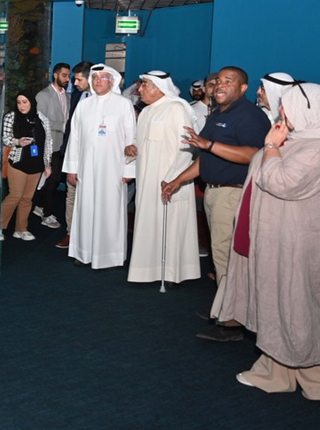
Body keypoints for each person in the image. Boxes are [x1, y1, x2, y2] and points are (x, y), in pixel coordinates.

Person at [220, 83, 320, 401]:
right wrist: (274, 146)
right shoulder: (297, 140)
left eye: (286, 105)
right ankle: (276, 371)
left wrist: (271, 146)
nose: (280, 111)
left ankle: (318, 377)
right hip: (276, 238)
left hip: (298, 244)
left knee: (300, 305)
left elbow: (281, 182)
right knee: (276, 303)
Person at [161, 66, 269, 342]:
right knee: (220, 254)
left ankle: (232, 321)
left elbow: (253, 154)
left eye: (228, 81)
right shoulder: (219, 114)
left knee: (227, 256)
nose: (220, 85)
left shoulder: (249, 116)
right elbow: (206, 156)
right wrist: (178, 180)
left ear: (243, 88)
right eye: (218, 81)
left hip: (232, 194)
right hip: (214, 192)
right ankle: (224, 306)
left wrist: (208, 145)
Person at [127, 71, 200, 283]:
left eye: (144, 85)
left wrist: (174, 179)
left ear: (159, 88)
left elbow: (187, 148)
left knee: (170, 225)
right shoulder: (146, 112)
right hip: (146, 180)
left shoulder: (177, 109)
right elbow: (142, 142)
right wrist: (132, 148)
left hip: (169, 181)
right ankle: (146, 271)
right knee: (148, 224)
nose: (139, 89)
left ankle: (171, 274)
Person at [62, 64, 136, 269]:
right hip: (86, 169)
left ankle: (110, 255)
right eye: (95, 78)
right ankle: (83, 252)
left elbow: (132, 138)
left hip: (113, 170)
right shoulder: (84, 105)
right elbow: (75, 138)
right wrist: (72, 168)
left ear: (112, 81)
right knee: (85, 209)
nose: (98, 81)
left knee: (110, 211)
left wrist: (129, 170)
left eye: (103, 78)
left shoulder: (124, 104)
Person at [0, 90, 52, 241]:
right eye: (18, 102)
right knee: (15, 195)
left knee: (27, 198)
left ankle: (21, 229)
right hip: (18, 162)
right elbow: (5, 138)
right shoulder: (11, 117)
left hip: (36, 164)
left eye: (25, 102)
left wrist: (47, 164)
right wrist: (18, 142)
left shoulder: (41, 118)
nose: (21, 106)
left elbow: (48, 142)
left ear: (32, 102)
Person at [56, 60, 94, 250]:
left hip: (94, 158)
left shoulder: (106, 101)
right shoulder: (78, 95)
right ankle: (70, 233)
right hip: (73, 152)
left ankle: (90, 236)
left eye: (79, 79)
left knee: (91, 198)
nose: (74, 83)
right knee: (71, 194)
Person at [32, 62, 70, 229]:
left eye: (68, 76)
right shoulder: (43, 95)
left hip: (62, 145)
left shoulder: (67, 96)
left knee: (54, 180)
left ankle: (39, 206)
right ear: (55, 75)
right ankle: (46, 214)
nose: (67, 79)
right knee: (51, 179)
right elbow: (41, 120)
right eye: (64, 75)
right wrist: (64, 126)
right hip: (49, 144)